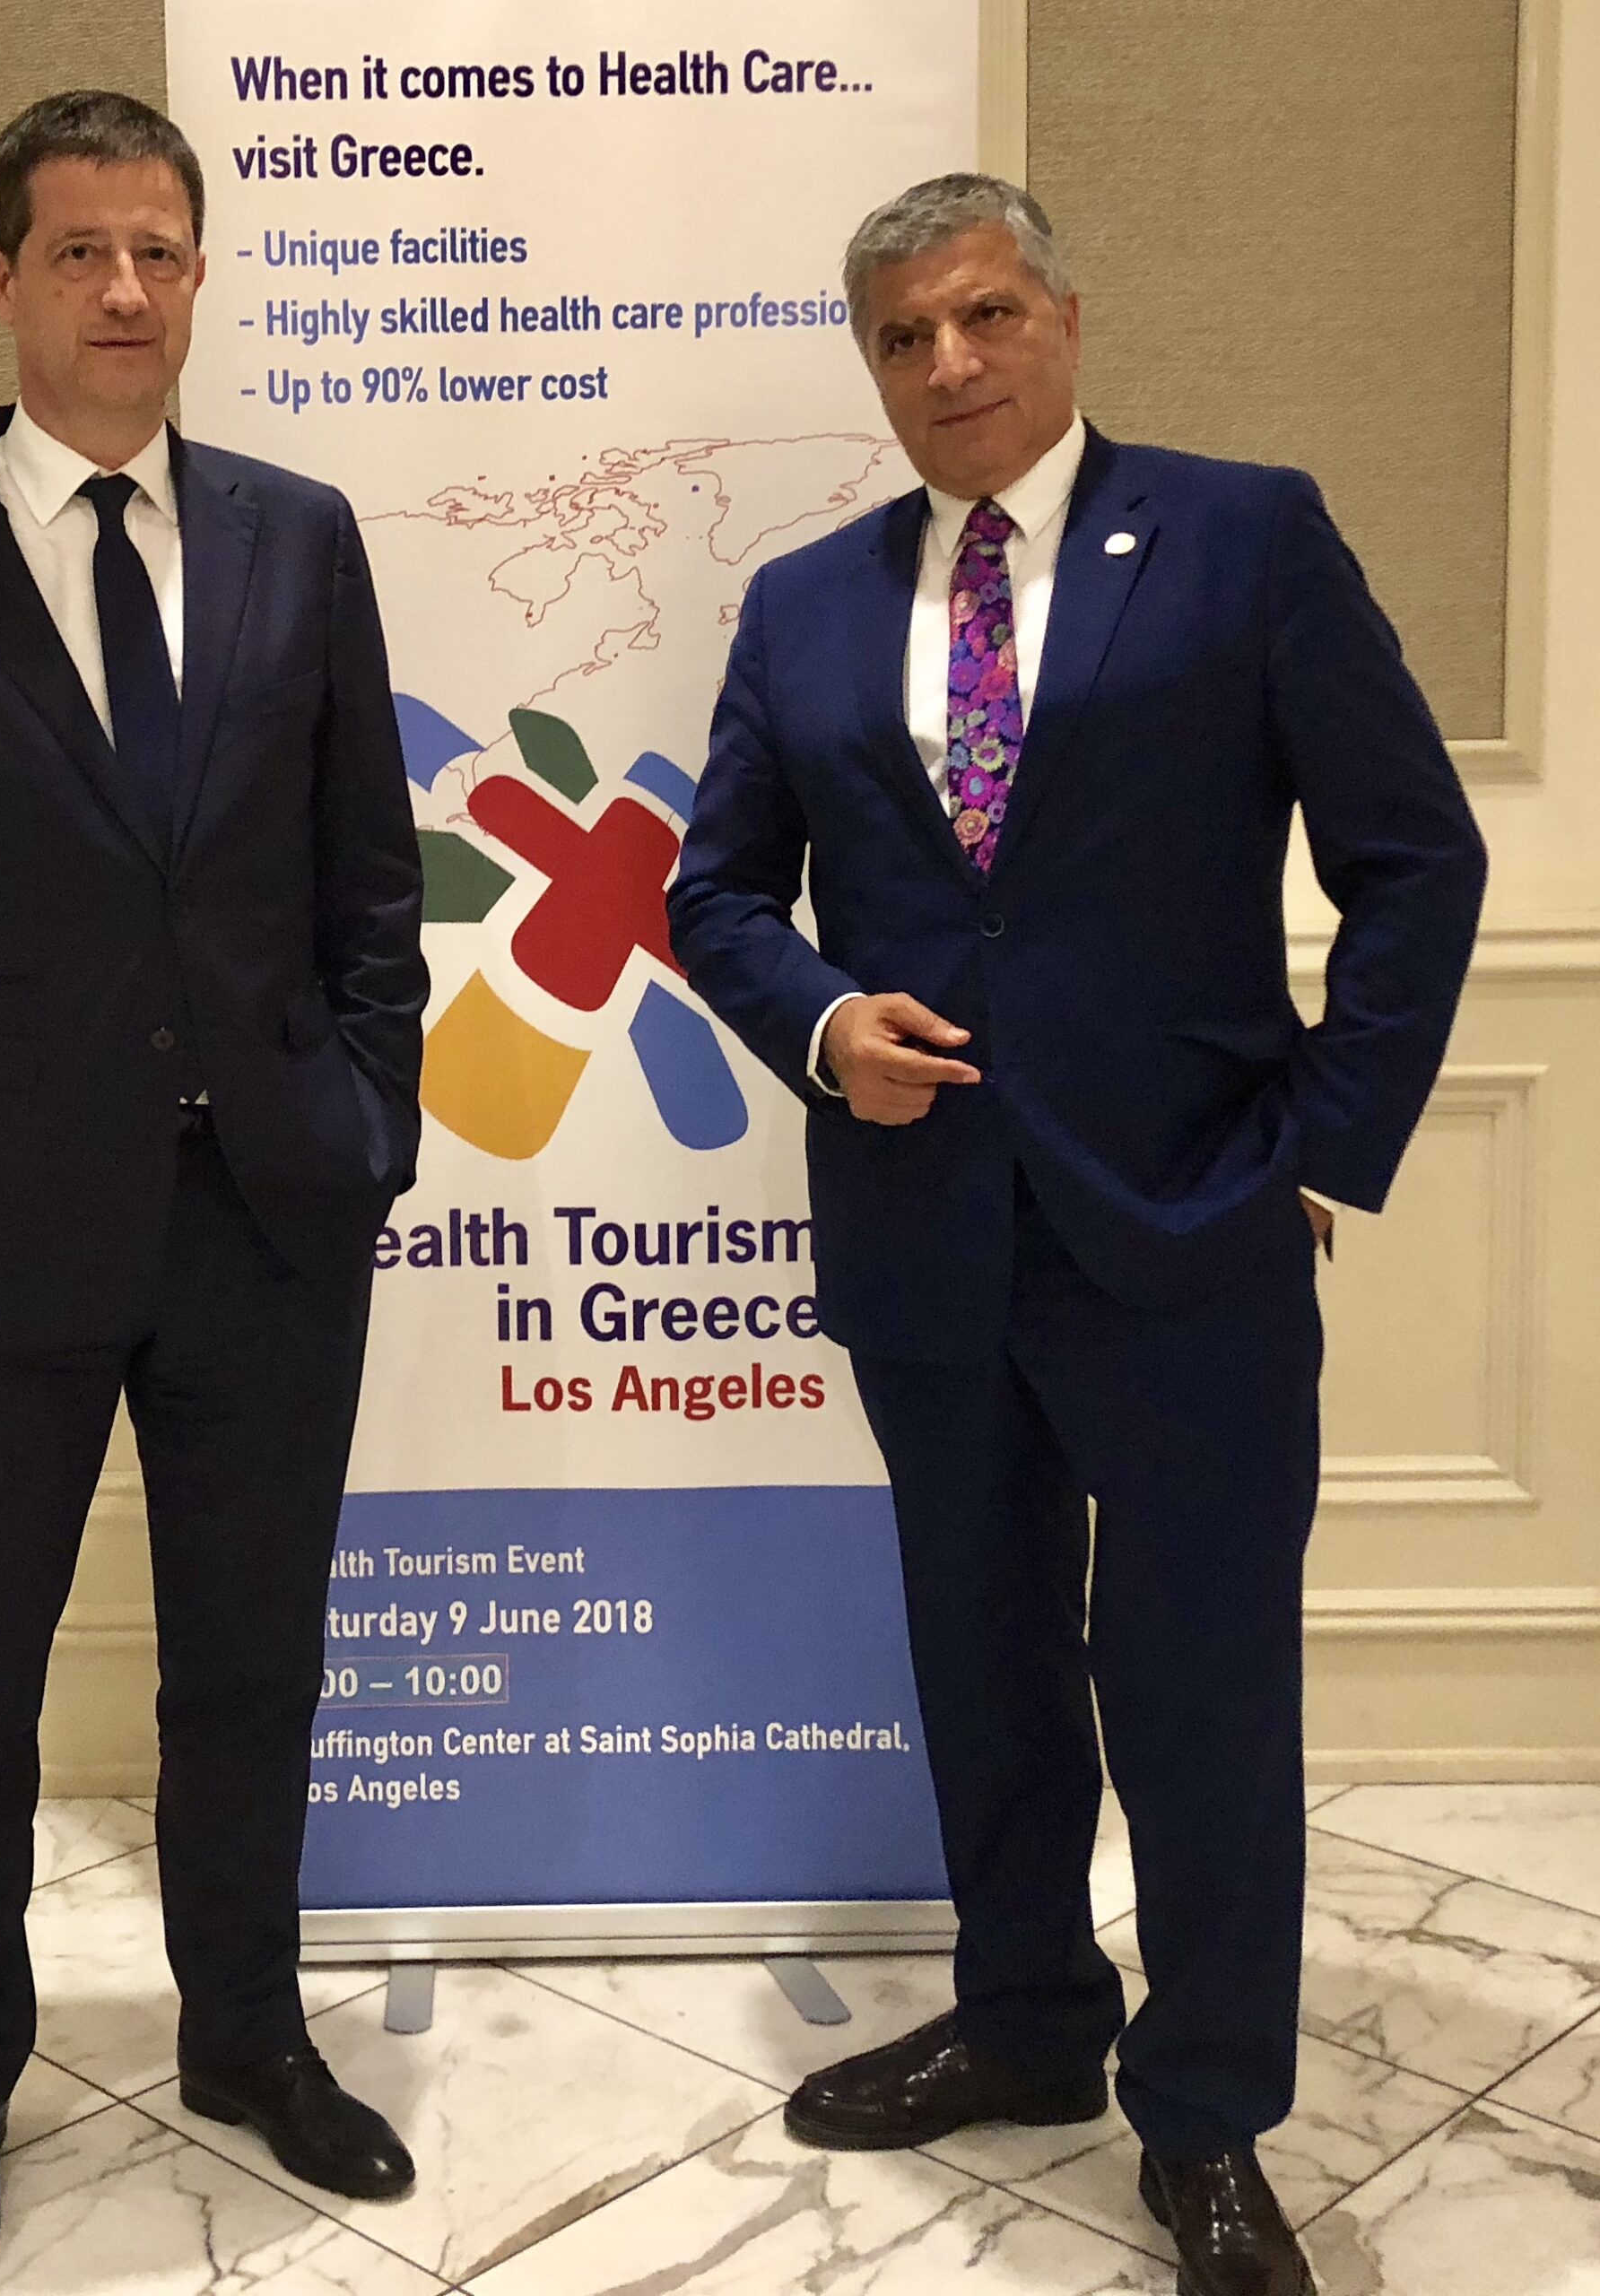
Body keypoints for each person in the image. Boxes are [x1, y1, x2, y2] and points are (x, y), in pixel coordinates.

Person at [667, 174, 1485, 2296]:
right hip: (925, 1233)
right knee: (987, 1658)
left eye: (986, 314)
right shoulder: (804, 603)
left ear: (1062, 315)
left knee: (1202, 1689)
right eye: (905, 337)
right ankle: (1027, 2016)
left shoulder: (1243, 536)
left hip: (1196, 1219)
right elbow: (716, 889)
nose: (950, 362)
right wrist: (822, 1023)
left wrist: (1325, 1150)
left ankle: (1204, 2114)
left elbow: (1415, 856)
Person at [0, 90, 426, 2288]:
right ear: (1, 277)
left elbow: (367, 880)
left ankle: (248, 2029)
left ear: (200, 273)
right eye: (78, 253)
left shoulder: (302, 537)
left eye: (159, 251)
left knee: (252, 1662)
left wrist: (370, 1123)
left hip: (268, 1222)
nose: (126, 292)